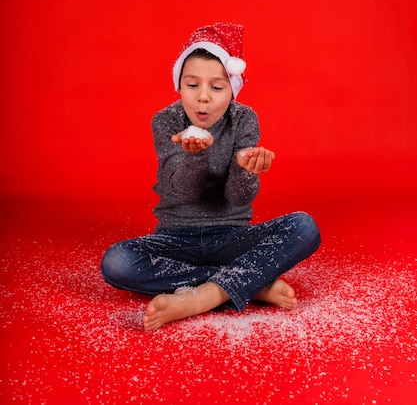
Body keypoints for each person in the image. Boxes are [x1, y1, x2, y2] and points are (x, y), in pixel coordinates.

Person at [101, 22, 321, 331]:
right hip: (175, 240)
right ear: (179, 85)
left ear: (232, 89)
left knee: (304, 226)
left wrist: (246, 169)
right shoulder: (166, 121)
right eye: (192, 85)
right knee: (117, 262)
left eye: (216, 88)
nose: (203, 98)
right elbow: (181, 193)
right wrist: (196, 155)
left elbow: (238, 198)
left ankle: (203, 296)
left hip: (232, 237)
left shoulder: (244, 118)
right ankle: (247, 282)